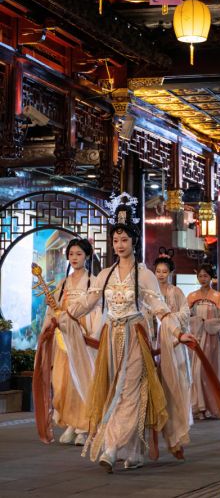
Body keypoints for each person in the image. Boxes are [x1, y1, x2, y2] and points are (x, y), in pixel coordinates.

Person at [79, 194, 196, 472]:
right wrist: (62, 313)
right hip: (111, 338)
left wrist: (179, 334)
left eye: (124, 240)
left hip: (135, 337)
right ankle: (135, 449)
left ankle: (111, 446)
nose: (119, 245)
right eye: (116, 240)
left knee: (129, 390)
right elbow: (86, 303)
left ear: (134, 242)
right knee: (113, 390)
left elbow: (159, 309)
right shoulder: (104, 274)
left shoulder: (145, 275)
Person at [33, 238, 101, 446]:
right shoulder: (62, 284)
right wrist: (47, 328)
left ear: (87, 256)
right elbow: (52, 310)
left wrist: (93, 335)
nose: (74, 258)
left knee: (83, 379)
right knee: (62, 382)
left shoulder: (94, 282)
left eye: (79, 254)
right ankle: (70, 423)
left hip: (83, 337)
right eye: (71, 254)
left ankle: (84, 427)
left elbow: (98, 311)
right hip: (63, 338)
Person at [153, 252, 192, 459]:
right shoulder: (148, 293)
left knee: (175, 390)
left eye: (164, 272)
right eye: (157, 271)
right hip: (153, 344)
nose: (160, 275)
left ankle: (175, 437)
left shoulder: (175, 292)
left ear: (170, 273)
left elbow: (185, 313)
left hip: (175, 344)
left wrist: (168, 319)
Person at [187, 263, 220, 419]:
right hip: (197, 338)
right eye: (200, 276)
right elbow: (186, 318)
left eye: (205, 276)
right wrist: (197, 321)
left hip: (212, 339)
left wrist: (208, 323)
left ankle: (213, 406)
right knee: (197, 371)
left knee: (211, 371)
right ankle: (199, 406)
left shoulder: (218, 297)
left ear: (211, 277)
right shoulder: (191, 297)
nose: (202, 279)